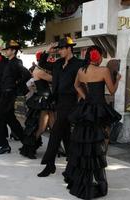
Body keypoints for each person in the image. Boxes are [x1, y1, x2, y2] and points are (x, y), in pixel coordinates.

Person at [63, 46, 121, 199]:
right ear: (98, 57)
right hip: (99, 110)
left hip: (85, 109)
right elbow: (112, 90)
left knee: (84, 143)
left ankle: (81, 179)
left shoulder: (81, 70)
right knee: (99, 142)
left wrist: (84, 96)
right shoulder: (104, 71)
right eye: (101, 56)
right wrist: (118, 80)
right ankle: (97, 177)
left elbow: (76, 85)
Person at [37, 37, 84, 177]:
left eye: (62, 48)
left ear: (69, 49)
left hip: (70, 102)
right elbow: (42, 63)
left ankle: (49, 164)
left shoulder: (78, 63)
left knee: (56, 132)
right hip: (58, 101)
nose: (60, 51)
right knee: (66, 134)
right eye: (59, 49)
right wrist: (48, 51)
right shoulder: (57, 63)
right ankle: (72, 164)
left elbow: (87, 77)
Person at [0, 40, 31, 154]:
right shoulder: (4, 61)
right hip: (1, 93)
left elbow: (27, 74)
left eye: (7, 49)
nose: (6, 51)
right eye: (6, 49)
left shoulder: (17, 62)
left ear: (13, 51)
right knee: (11, 119)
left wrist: (16, 85)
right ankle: (26, 142)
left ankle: (4, 145)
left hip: (9, 94)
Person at [19, 51, 55, 159]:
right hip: (43, 100)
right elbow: (54, 79)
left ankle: (55, 149)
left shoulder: (40, 70)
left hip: (47, 100)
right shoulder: (39, 71)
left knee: (54, 126)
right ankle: (29, 149)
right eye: (48, 59)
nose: (49, 61)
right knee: (41, 128)